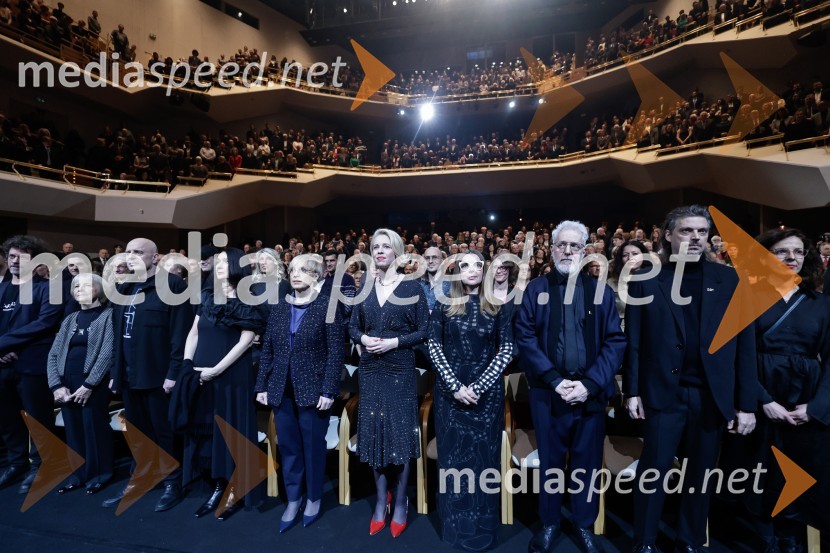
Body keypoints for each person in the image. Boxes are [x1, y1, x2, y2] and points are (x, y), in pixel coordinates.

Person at [623, 205, 758, 553]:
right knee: (653, 472)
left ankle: (690, 541)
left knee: (700, 477)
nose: (696, 237)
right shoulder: (647, 279)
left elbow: (745, 346)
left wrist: (746, 404)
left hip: (712, 396)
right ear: (668, 235)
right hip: (663, 394)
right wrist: (632, 390)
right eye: (687, 231)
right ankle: (645, 541)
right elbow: (635, 342)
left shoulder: (730, 280)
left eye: (702, 231)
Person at [514, 220, 626, 553]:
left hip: (588, 396)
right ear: (551, 249)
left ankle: (583, 524)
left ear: (586, 249)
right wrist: (555, 380)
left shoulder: (601, 291)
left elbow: (615, 341)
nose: (567, 251)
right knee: (550, 462)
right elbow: (525, 337)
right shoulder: (536, 289)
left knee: (587, 464)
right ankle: (549, 523)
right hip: (549, 395)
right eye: (561, 245)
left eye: (574, 246)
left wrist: (589, 384)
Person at [742, 228, 830, 551]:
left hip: (805, 398)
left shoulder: (822, 304)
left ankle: (791, 535)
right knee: (761, 471)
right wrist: (762, 400)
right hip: (763, 394)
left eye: (797, 252)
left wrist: (816, 406)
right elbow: (739, 356)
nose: (791, 258)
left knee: (801, 470)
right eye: (782, 252)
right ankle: (765, 535)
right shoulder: (748, 300)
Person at [427, 250, 514, 551]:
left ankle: (483, 532)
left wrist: (477, 385)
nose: (472, 269)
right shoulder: (443, 305)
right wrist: (455, 386)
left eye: (478, 264)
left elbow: (506, 351)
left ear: (485, 270)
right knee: (452, 464)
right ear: (456, 271)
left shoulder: (497, 307)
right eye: (465, 265)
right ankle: (455, 531)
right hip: (450, 401)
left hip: (486, 401)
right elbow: (433, 347)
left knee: (484, 464)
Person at [104, 238, 194, 512]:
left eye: (138, 252)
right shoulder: (125, 286)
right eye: (128, 251)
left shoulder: (173, 285)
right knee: (139, 432)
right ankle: (141, 477)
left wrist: (174, 373)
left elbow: (181, 333)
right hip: (130, 374)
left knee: (164, 432)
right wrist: (115, 373)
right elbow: (118, 335)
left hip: (158, 375)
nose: (130, 256)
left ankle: (172, 482)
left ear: (155, 258)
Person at [349, 228, 429, 538]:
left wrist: (394, 342)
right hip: (370, 369)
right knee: (373, 434)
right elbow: (352, 327)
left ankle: (400, 503)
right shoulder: (364, 288)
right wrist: (364, 337)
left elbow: (425, 330)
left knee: (400, 437)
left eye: (386, 246)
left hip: (399, 369)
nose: (380, 251)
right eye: (375, 247)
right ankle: (381, 500)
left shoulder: (413, 288)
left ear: (397, 252)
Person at [178, 248, 268, 520]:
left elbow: (245, 341)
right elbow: (194, 332)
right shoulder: (205, 296)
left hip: (230, 373)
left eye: (222, 263)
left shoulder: (249, 299)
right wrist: (186, 363)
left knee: (229, 429)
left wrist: (216, 370)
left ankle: (231, 486)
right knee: (206, 428)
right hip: (200, 371)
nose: (217, 267)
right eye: (215, 263)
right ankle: (214, 482)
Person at [256, 254, 344, 531]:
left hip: (314, 389)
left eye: (305, 270)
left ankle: (314, 498)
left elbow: (336, 354)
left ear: (317, 276)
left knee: (313, 448)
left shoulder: (328, 306)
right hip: (281, 388)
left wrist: (329, 390)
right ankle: (293, 498)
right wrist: (261, 385)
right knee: (289, 447)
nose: (297, 275)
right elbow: (268, 348)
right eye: (293, 270)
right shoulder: (281, 307)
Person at [0, 236, 64, 494]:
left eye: (23, 257)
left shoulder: (49, 288)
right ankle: (17, 463)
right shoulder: (2, 288)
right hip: (2, 364)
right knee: (7, 419)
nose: (16, 261)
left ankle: (42, 465)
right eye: (12, 256)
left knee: (39, 419)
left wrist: (3, 343)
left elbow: (45, 323)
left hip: (32, 363)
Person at [47, 273, 114, 495]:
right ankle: (78, 475)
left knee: (93, 429)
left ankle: (100, 474)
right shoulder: (69, 319)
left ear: (99, 289)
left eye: (85, 285)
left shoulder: (108, 316)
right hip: (67, 381)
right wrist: (56, 385)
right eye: (76, 286)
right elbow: (54, 354)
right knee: (73, 431)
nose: (79, 289)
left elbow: (106, 354)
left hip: (93, 383)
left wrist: (89, 385)